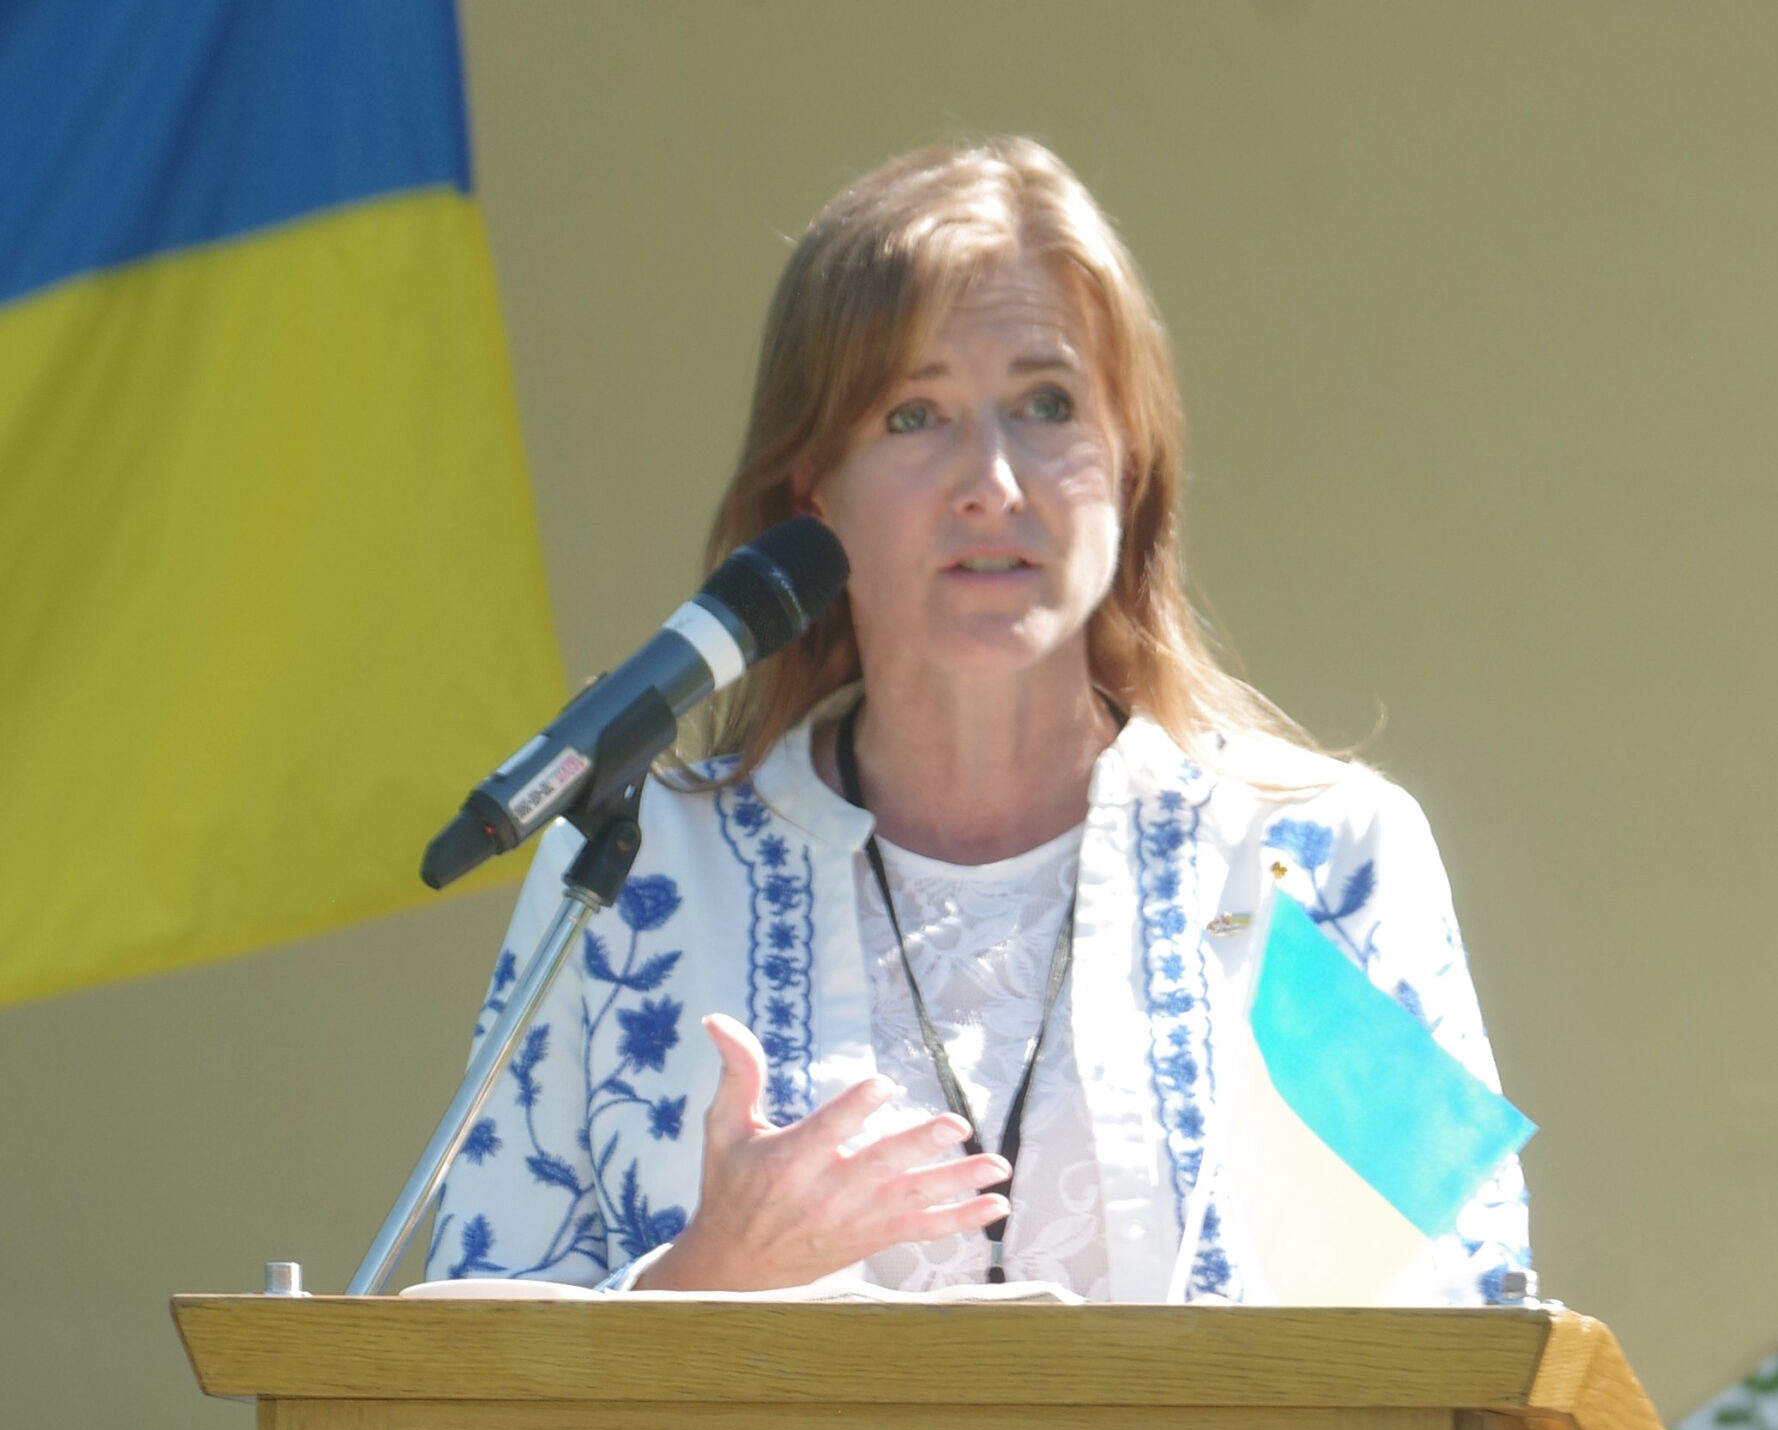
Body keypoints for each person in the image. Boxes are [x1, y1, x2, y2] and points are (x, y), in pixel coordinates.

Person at [426, 139, 1529, 1306]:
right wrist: (706, 1277)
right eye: (914, 415)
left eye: (1046, 405)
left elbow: (1472, 1320)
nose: (991, 482)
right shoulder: (633, 872)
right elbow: (461, 1365)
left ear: (1130, 461)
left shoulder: (1313, 859)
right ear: (812, 490)